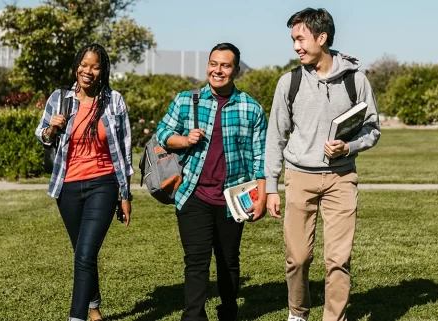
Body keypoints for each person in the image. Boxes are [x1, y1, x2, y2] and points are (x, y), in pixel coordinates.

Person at [264, 8, 381, 321]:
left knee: (338, 259)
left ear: (322, 38)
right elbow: (275, 136)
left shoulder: (357, 81)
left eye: (300, 39)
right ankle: (298, 313)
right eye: (293, 40)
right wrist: (272, 187)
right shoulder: (288, 82)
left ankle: (334, 318)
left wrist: (349, 145)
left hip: (342, 179)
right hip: (299, 178)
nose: (295, 46)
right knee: (298, 258)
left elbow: (373, 128)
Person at [155, 42, 268, 321]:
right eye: (213, 64)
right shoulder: (186, 100)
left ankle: (228, 311)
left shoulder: (250, 109)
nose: (218, 70)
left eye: (225, 65)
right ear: (207, 66)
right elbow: (162, 133)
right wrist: (184, 139)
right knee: (196, 261)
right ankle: (193, 316)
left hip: (234, 198)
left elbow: (261, 158)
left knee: (228, 260)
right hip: (192, 193)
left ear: (236, 70)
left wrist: (262, 197)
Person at [35, 43, 133, 321]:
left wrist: (125, 195)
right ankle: (94, 306)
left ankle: (76, 317)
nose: (88, 71)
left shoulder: (114, 101)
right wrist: (53, 127)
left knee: (85, 253)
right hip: (67, 187)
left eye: (95, 66)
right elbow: (42, 135)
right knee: (82, 253)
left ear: (103, 71)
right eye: (84, 64)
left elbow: (125, 151)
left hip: (103, 184)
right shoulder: (60, 97)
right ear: (77, 65)